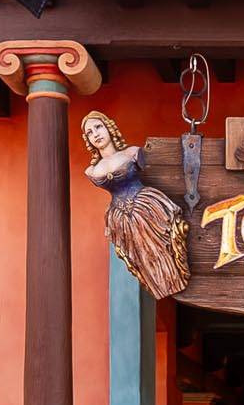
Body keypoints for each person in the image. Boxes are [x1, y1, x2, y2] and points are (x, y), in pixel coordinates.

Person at [81, 110, 190, 300]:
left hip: (145, 205)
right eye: (90, 132)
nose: (95, 134)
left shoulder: (132, 153)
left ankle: (174, 278)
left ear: (109, 127)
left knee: (163, 245)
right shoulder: (91, 171)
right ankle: (158, 285)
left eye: (98, 127)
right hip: (119, 217)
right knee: (139, 255)